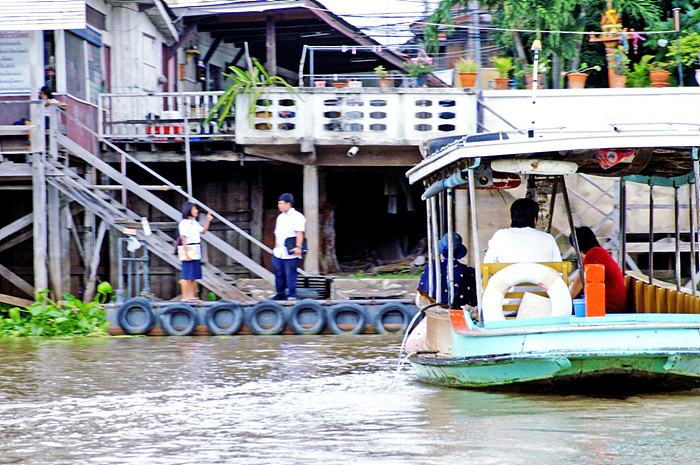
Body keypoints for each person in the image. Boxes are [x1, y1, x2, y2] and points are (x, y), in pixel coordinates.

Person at [483, 198, 562, 263]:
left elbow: (488, 264)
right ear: (535, 220)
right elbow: (559, 271)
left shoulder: (500, 236)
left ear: (512, 218)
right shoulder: (548, 238)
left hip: (508, 281)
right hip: (540, 282)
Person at [569, 226, 627, 313]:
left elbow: (580, 282)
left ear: (575, 247)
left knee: (569, 310)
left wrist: (566, 301)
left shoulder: (593, 255)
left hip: (610, 308)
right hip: (613, 306)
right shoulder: (600, 252)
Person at [417, 233, 477, 309]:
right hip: (459, 313)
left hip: (433, 310)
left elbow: (422, 290)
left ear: (441, 251)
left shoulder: (432, 265)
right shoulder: (469, 271)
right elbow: (474, 300)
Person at [272, 193, 306, 301]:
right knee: (278, 273)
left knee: (290, 273)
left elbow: (300, 232)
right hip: (279, 249)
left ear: (288, 204)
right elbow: (277, 233)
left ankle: (292, 294)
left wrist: (298, 247)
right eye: (278, 203)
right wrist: (275, 247)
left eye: (281, 203)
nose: (279, 206)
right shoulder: (280, 217)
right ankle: (280, 293)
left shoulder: (297, 216)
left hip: (290, 249)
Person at [178, 202, 213, 303]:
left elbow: (203, 231)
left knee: (193, 275)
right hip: (188, 247)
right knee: (186, 275)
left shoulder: (194, 222)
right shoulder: (184, 223)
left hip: (196, 248)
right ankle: (185, 296)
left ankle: (192, 296)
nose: (196, 211)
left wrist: (208, 221)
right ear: (188, 210)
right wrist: (186, 253)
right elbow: (184, 238)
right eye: (194, 209)